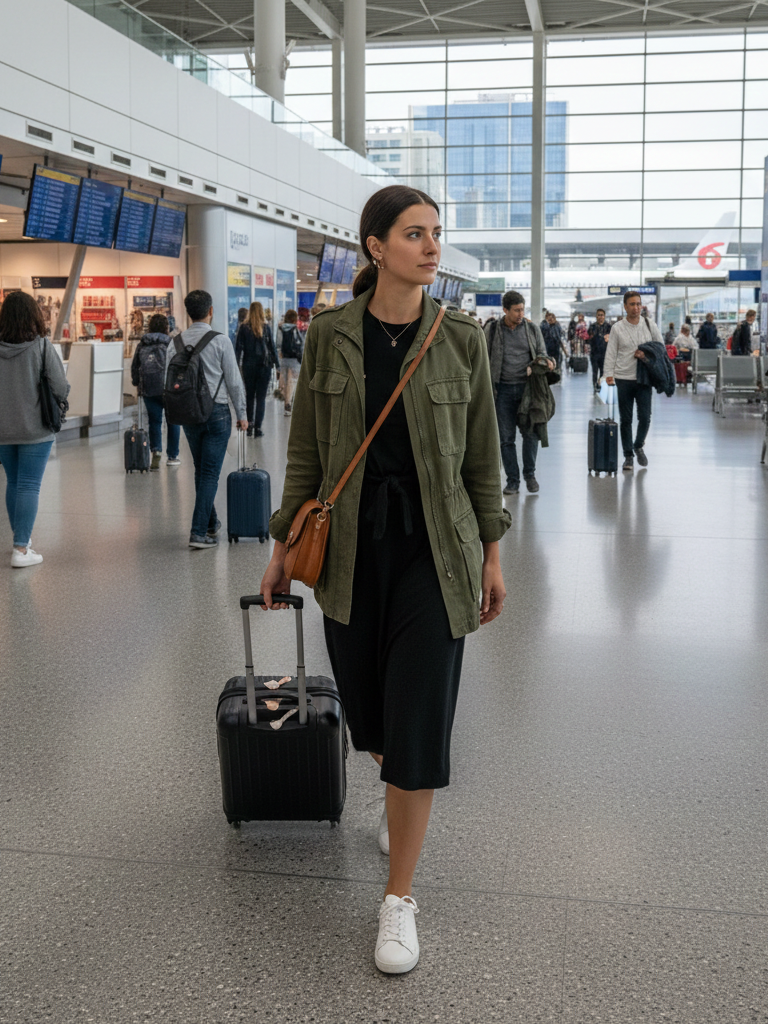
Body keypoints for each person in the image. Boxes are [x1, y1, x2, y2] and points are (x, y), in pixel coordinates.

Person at [259, 184, 510, 976]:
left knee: (418, 720)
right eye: (414, 234)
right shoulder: (330, 334)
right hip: (350, 552)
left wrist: (492, 554)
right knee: (370, 720)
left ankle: (399, 897)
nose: (432, 247)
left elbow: (483, 456)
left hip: (436, 552)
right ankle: (394, 782)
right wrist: (281, 547)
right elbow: (307, 451)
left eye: (436, 233)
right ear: (375, 246)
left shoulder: (460, 337)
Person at [167, 289, 247, 549]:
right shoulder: (221, 341)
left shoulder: (175, 343)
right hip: (217, 413)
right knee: (210, 472)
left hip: (188, 414)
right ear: (210, 311)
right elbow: (234, 381)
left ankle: (211, 524)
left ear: (188, 312)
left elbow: (169, 381)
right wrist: (242, 414)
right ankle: (198, 532)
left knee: (202, 470)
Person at [0, 291, 69, 567]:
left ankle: (22, 541)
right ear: (33, 315)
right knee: (29, 484)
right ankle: (21, 549)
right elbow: (60, 386)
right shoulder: (41, 346)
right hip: (36, 429)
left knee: (14, 482)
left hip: (3, 430)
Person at [484, 290, 554, 494]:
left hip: (527, 390)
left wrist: (543, 362)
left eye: (522, 309)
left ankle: (530, 475)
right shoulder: (493, 330)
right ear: (505, 310)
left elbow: (542, 353)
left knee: (530, 434)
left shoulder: (532, 329)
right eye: (516, 310)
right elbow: (483, 356)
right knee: (506, 439)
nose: (520, 314)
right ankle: (512, 481)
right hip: (502, 390)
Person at [604, 290, 664, 471]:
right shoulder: (617, 328)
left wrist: (646, 355)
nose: (636, 308)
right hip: (623, 378)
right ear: (625, 307)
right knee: (626, 419)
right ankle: (628, 456)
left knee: (645, 417)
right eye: (632, 304)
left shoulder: (649, 325)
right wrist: (608, 374)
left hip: (644, 378)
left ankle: (638, 445)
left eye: (638, 304)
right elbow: (611, 352)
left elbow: (661, 349)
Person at [130, 313, 180, 468]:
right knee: (173, 421)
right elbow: (179, 365)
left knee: (154, 421)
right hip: (169, 388)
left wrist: (136, 382)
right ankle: (172, 456)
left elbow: (135, 366)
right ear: (166, 327)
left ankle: (156, 450)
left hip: (149, 388)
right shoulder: (171, 343)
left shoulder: (143, 343)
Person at [235, 301, 279, 437]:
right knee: (261, 398)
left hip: (248, 366)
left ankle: (249, 426)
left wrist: (235, 366)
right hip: (264, 367)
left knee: (249, 396)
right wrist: (277, 366)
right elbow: (272, 348)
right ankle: (258, 428)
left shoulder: (243, 328)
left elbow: (238, 349)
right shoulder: (266, 327)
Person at [277, 309, 303, 416]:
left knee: (285, 381)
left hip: (284, 359)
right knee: (292, 382)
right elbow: (300, 343)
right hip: (295, 360)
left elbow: (278, 344)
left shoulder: (280, 328)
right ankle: (289, 403)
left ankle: (287, 402)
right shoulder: (295, 329)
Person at [587, 308, 611, 392]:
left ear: (604, 316)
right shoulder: (592, 327)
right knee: (594, 370)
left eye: (602, 315)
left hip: (604, 353)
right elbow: (588, 338)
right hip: (594, 352)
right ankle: (594, 385)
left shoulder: (608, 327)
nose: (600, 317)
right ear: (596, 316)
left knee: (603, 371)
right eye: (599, 315)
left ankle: (600, 384)